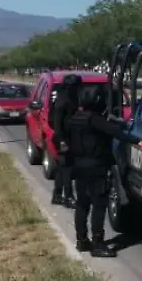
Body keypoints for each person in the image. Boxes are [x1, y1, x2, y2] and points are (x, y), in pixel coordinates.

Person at [62, 83, 134, 257]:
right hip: (96, 168)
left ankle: (82, 240)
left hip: (79, 167)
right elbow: (117, 133)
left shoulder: (73, 119)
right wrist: (138, 141)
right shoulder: (96, 120)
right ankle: (98, 244)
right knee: (99, 206)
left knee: (82, 205)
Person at [48, 74, 80, 207]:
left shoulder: (64, 98)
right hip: (63, 138)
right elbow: (55, 122)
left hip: (64, 137)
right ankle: (68, 197)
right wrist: (62, 141)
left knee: (62, 169)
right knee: (67, 168)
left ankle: (57, 195)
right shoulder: (63, 101)